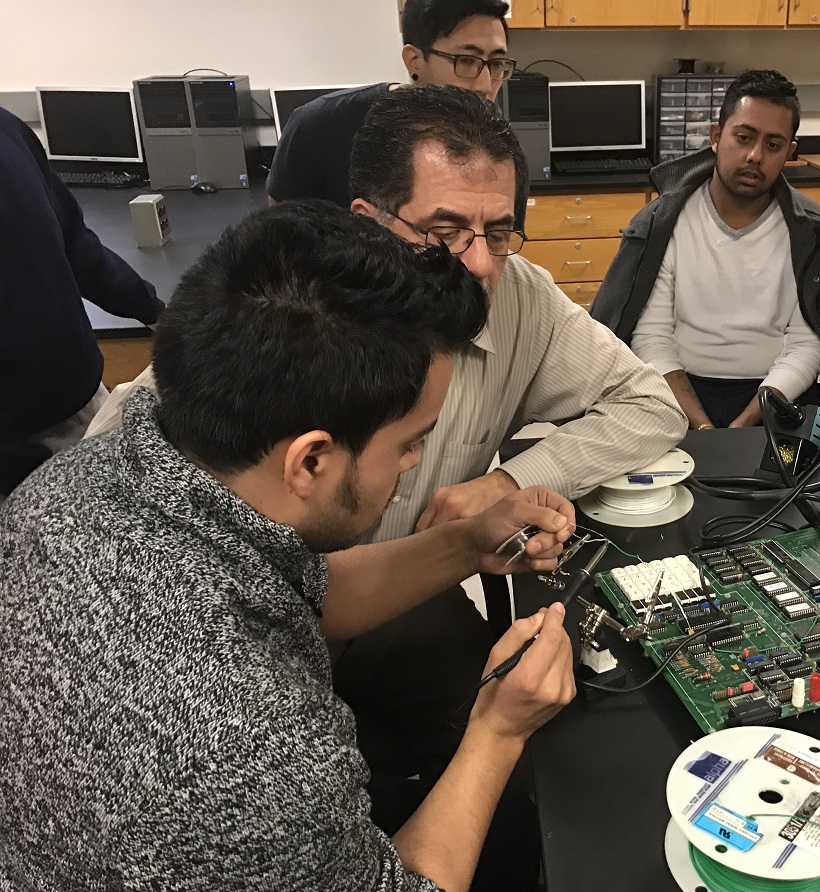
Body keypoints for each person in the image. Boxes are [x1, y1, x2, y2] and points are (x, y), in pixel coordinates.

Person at [86, 82, 685, 847]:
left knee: (555, 763)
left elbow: (649, 405)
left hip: (356, 604)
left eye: (499, 233)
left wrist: (495, 498)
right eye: (443, 234)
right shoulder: (278, 334)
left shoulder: (517, 301)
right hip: (237, 665)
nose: (478, 267)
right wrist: (491, 739)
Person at [0, 200, 579, 892]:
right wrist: (497, 729)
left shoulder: (88, 476)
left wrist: (464, 543)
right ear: (309, 462)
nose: (413, 462)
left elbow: (299, 592)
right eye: (409, 444)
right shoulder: (247, 756)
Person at [591, 69, 820, 428]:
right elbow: (651, 337)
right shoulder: (664, 224)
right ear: (715, 136)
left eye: (773, 145)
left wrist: (745, 424)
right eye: (743, 137)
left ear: (789, 152)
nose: (755, 155)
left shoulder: (812, 235)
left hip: (778, 392)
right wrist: (702, 426)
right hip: (673, 389)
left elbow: (806, 345)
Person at [0, 106, 162, 501]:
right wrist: (18, 465)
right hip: (19, 449)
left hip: (85, 404)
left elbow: (73, 243)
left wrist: (155, 312)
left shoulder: (9, 132)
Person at [267, 0, 514, 207]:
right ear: (414, 60)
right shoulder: (319, 128)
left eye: (496, 64)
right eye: (466, 61)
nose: (485, 85)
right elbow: (276, 241)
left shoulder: (500, 150)